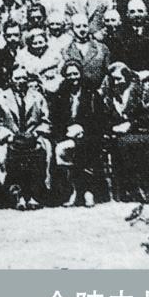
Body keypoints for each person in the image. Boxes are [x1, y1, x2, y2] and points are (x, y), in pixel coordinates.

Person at [0, 67, 53, 210]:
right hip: (10, 137)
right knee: (0, 153)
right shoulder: (0, 98)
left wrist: (36, 134)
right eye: (17, 78)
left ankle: (34, 194)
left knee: (45, 149)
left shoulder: (37, 97)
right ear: (10, 80)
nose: (21, 81)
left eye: (24, 78)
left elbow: (46, 121)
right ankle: (17, 194)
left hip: (33, 136)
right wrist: (10, 136)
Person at [99, 62, 149, 202]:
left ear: (127, 78)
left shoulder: (141, 92)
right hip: (117, 134)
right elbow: (103, 118)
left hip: (141, 131)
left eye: (119, 79)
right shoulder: (108, 96)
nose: (116, 82)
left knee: (137, 143)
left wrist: (131, 124)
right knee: (120, 143)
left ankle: (144, 187)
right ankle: (130, 188)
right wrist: (113, 128)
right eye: (113, 79)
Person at [49, 60, 103, 207]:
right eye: (69, 75)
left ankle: (88, 191)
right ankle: (73, 189)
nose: (73, 78)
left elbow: (99, 119)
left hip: (89, 134)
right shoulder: (60, 95)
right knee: (62, 149)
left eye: (75, 74)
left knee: (86, 148)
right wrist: (66, 131)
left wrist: (82, 128)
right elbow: (55, 120)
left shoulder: (91, 94)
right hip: (67, 135)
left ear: (81, 74)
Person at [62, 12, 110, 90]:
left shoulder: (101, 48)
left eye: (85, 26)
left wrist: (102, 91)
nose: (82, 29)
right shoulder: (66, 50)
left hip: (97, 91)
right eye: (78, 27)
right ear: (72, 28)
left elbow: (107, 74)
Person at [16, 28, 63, 95]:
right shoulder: (22, 55)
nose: (38, 46)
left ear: (45, 42)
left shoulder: (54, 52)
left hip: (54, 86)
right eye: (35, 43)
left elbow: (61, 69)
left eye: (41, 42)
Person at [116, 0, 149, 76]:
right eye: (132, 12)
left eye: (140, 11)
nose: (137, 15)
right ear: (127, 14)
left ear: (146, 13)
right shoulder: (119, 35)